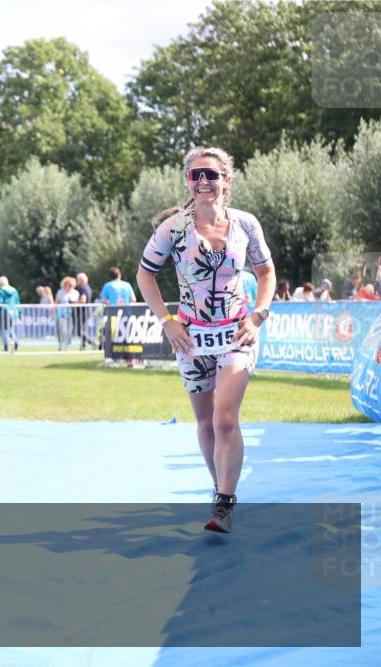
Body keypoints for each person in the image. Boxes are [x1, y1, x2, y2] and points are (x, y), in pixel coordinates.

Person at [137, 146, 275, 534]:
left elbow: (267, 273)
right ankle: (220, 488)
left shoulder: (246, 224)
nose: (203, 181)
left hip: (236, 333)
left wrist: (258, 316)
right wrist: (167, 321)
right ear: (187, 181)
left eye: (211, 175)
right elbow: (145, 274)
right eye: (195, 175)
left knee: (225, 417)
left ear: (226, 181)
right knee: (205, 422)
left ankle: (225, 503)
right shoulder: (173, 229)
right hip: (191, 338)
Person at [0, 275, 21, 352]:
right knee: (11, 329)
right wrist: (19, 313)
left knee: (4, 330)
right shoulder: (14, 291)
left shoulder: (1, 291)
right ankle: (15, 341)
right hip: (13, 312)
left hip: (4, 312)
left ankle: (6, 346)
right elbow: (17, 302)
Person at [55, 276, 79, 351]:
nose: (70, 286)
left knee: (70, 330)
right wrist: (53, 312)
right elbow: (56, 302)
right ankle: (60, 344)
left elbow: (77, 303)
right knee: (62, 329)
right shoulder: (60, 292)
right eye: (69, 285)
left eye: (71, 285)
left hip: (71, 314)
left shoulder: (75, 293)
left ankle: (68, 346)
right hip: (61, 314)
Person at [74, 272, 94, 350]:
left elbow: (83, 300)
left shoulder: (81, 288)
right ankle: (83, 347)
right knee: (83, 331)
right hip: (86, 311)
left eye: (77, 280)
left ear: (81, 280)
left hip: (82, 312)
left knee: (80, 332)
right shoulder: (88, 287)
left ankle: (93, 343)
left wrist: (75, 303)